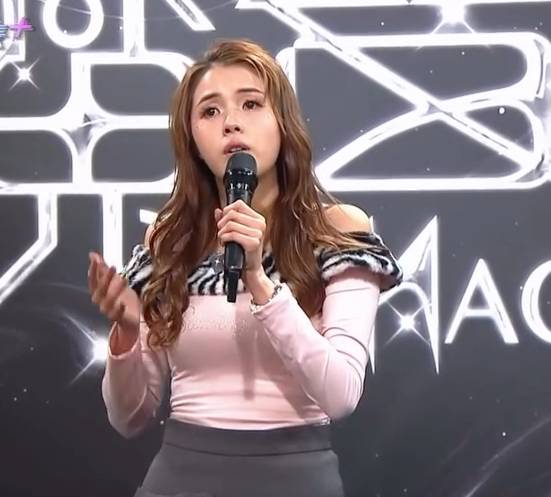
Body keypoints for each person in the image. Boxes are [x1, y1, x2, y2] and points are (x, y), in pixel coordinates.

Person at [88, 39, 402, 497]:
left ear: (283, 122)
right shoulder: (170, 240)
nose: (231, 122)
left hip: (295, 480)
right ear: (193, 140)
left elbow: (340, 395)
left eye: (251, 104)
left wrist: (260, 282)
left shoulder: (337, 231)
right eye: (210, 111)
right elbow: (129, 418)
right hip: (179, 480)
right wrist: (125, 334)